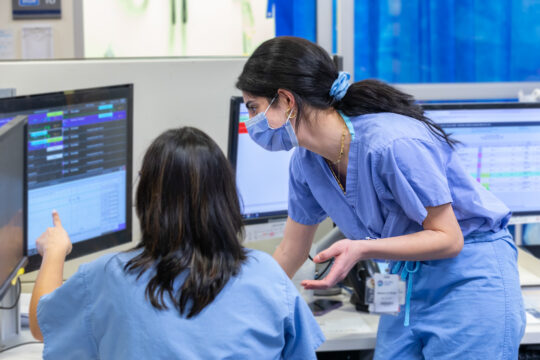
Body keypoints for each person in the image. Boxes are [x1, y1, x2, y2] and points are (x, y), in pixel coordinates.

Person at [236, 36, 525, 359]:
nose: (252, 122)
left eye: (253, 107)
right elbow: (291, 249)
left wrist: (362, 248)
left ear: (286, 100)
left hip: (469, 276)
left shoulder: (392, 144)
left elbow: (449, 238)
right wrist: (247, 303)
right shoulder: (306, 163)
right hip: (408, 278)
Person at [29, 127, 324, 359]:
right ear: (226, 195)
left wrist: (54, 252)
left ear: (147, 197)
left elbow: (42, 326)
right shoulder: (268, 275)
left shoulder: (107, 278)